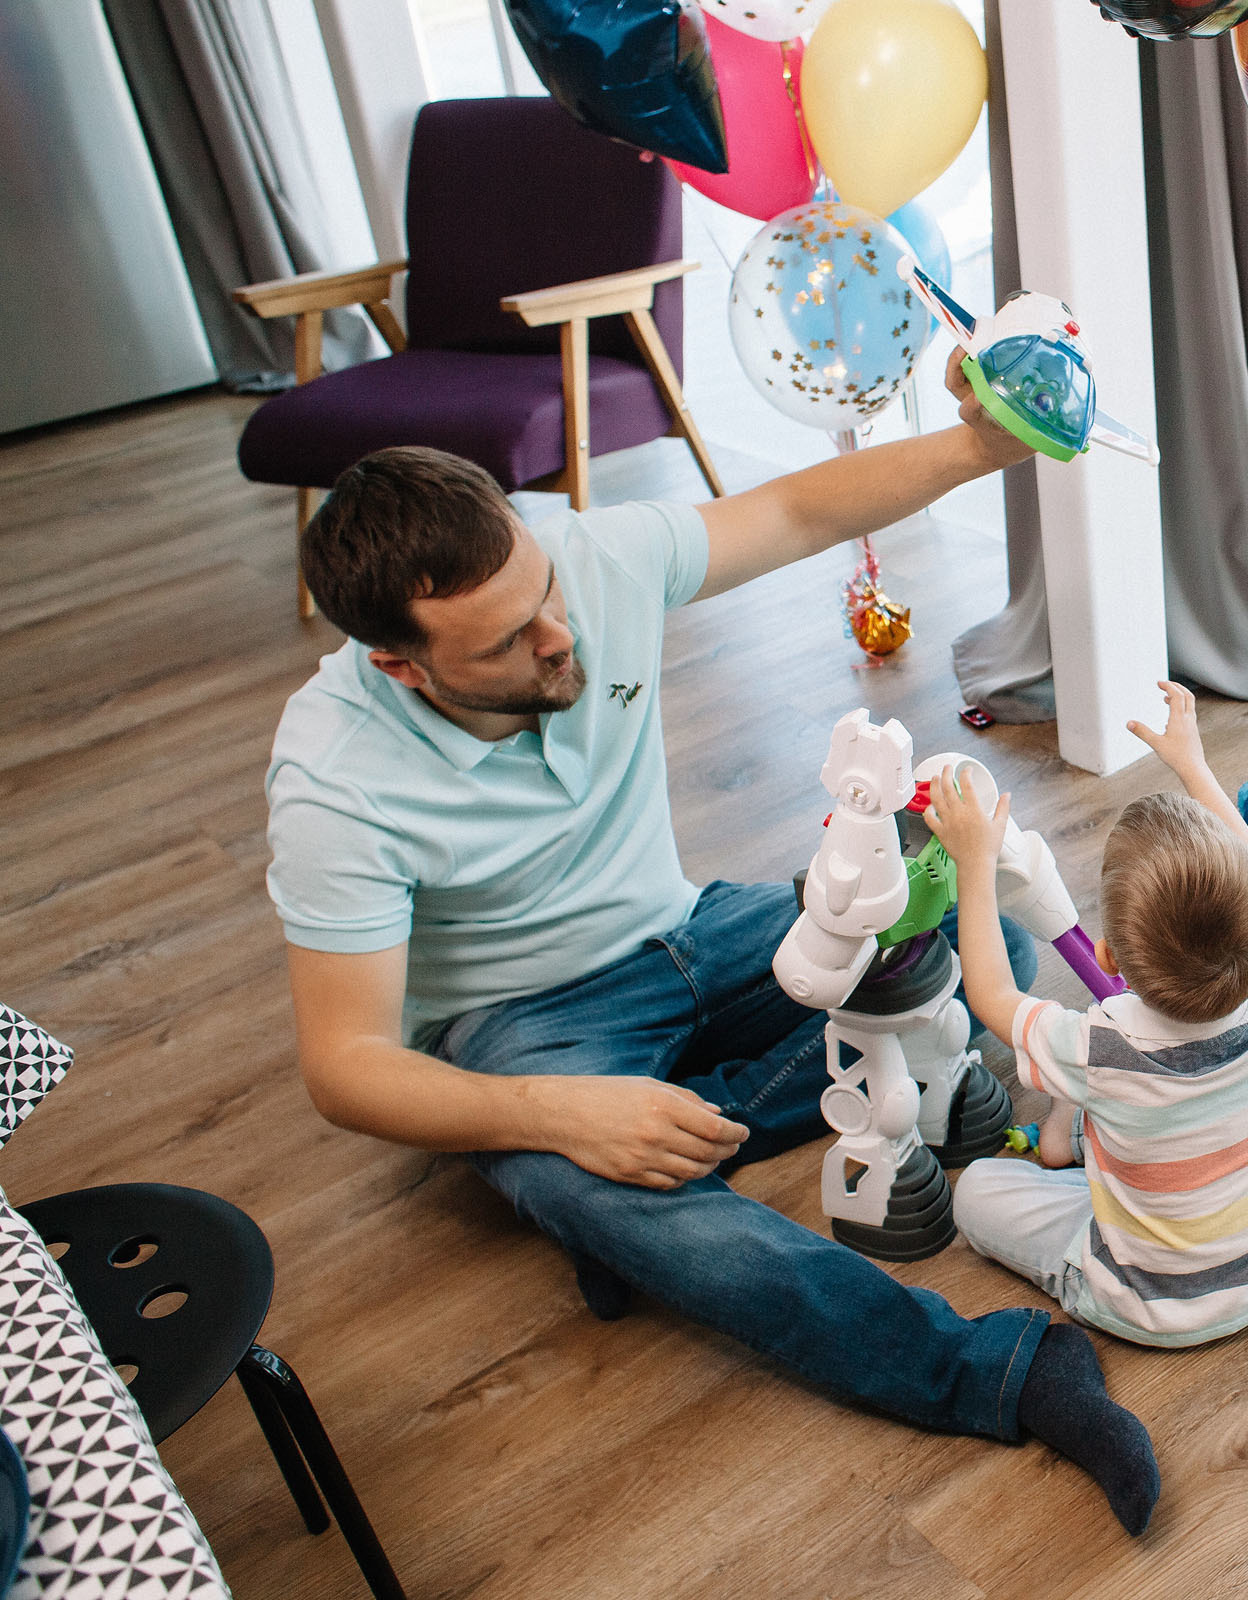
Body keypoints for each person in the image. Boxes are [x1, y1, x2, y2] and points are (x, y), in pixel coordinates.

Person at [266, 353, 1158, 1535]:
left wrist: (980, 446)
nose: (559, 634)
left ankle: (678, 1135)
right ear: (400, 663)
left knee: (963, 919)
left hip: (694, 931)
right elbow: (344, 1067)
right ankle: (994, 1371)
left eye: (547, 591)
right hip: (529, 1025)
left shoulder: (591, 560)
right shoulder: (333, 779)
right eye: (509, 641)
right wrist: (554, 1113)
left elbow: (794, 511)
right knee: (582, 1171)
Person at [927, 682, 1248, 1349]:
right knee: (1121, 1100)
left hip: (1146, 1301)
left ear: (1106, 956)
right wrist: (1193, 765)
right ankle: (1074, 1135)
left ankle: (1070, 1136)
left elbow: (991, 995)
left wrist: (975, 866)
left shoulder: (1102, 1046)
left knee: (977, 1191)